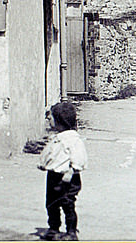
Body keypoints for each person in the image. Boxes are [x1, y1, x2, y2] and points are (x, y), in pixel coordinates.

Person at [38, 101, 88, 241]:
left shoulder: (73, 139)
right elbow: (51, 154)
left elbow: (79, 157)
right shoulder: (57, 138)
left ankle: (71, 232)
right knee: (51, 203)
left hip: (68, 177)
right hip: (53, 175)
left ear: (60, 119)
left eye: (51, 117)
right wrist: (44, 164)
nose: (48, 120)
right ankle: (53, 229)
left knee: (67, 203)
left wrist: (71, 172)